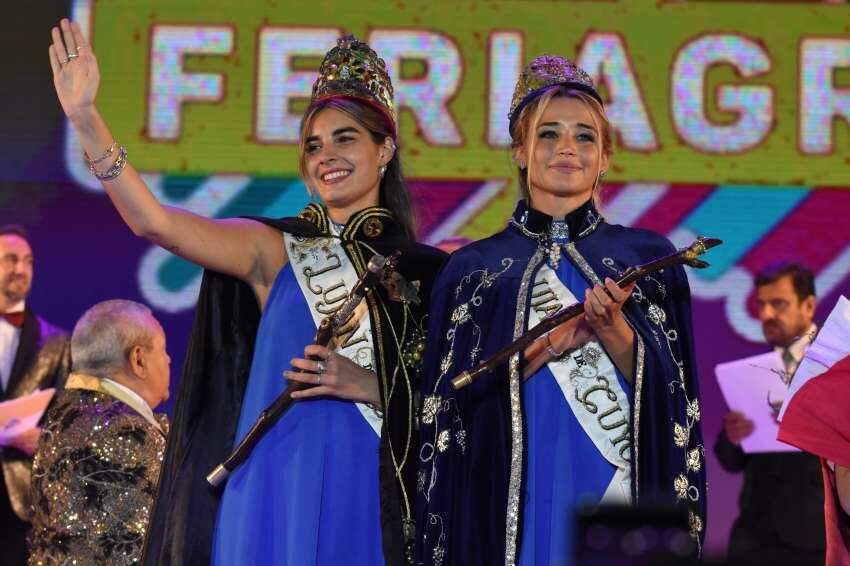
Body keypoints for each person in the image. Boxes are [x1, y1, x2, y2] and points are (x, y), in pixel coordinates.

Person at [49, 19, 446, 565]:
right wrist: (87, 119)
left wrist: (372, 386)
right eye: (313, 145)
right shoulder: (274, 249)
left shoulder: (431, 271)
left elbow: (456, 407)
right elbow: (155, 223)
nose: (325, 155)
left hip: (375, 486)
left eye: (345, 137)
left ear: (384, 151)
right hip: (273, 488)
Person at [416, 55, 705, 565]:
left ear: (606, 157)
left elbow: (675, 404)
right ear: (520, 153)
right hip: (507, 496)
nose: (567, 147)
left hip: (610, 485)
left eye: (585, 136)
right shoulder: (472, 270)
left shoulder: (647, 259)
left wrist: (612, 328)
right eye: (548, 134)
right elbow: (445, 417)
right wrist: (548, 344)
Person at [28, 299, 169, 565]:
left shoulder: (63, 413)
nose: (169, 360)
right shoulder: (126, 432)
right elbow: (131, 552)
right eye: (163, 350)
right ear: (138, 359)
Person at [714, 263, 825, 564]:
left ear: (809, 305)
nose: (766, 315)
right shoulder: (754, 369)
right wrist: (734, 436)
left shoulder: (837, 363)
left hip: (815, 540)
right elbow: (729, 460)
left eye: (778, 304)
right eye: (761, 304)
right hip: (752, 540)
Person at [0, 225, 70, 565]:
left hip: (22, 501)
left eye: (28, 261)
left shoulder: (56, 343)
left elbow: (70, 421)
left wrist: (43, 439)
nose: (20, 269)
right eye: (10, 259)